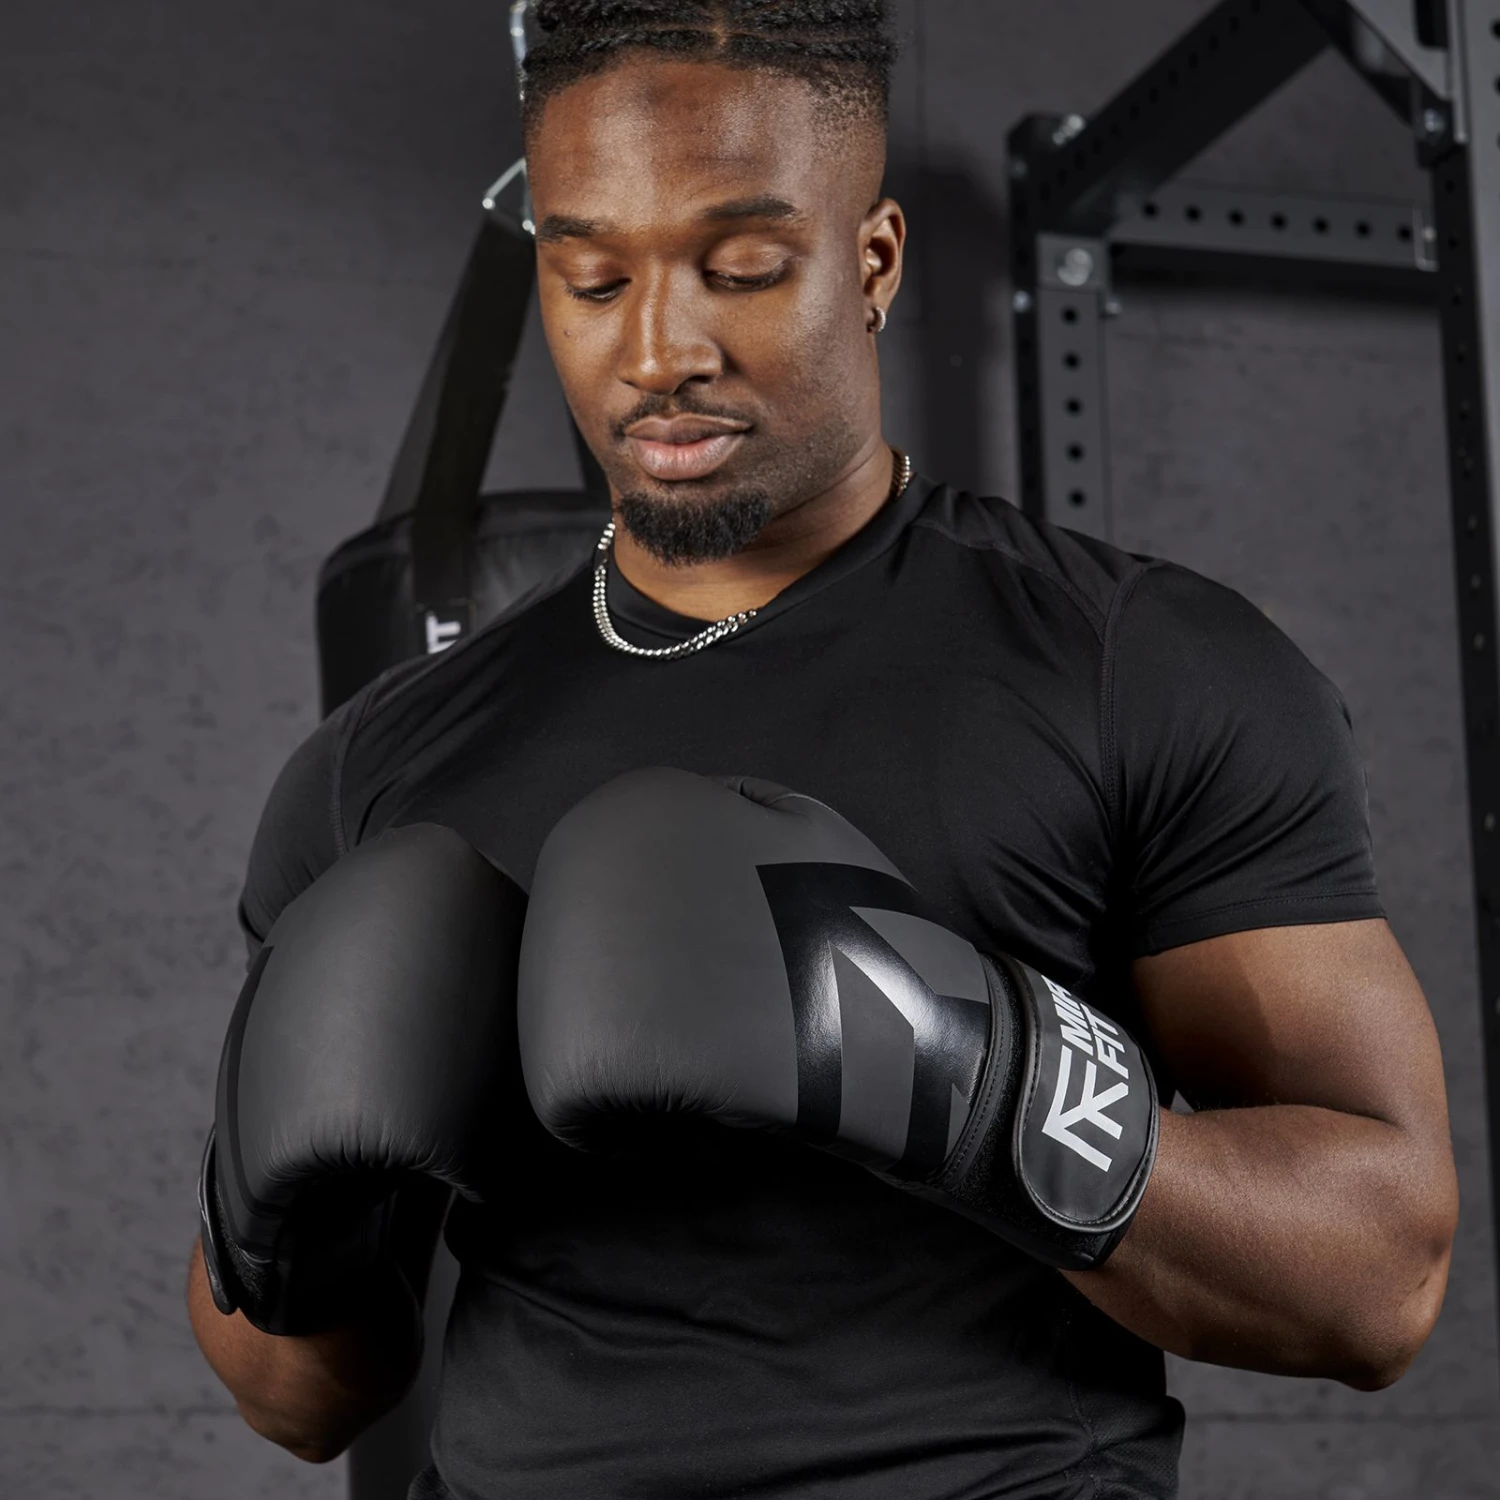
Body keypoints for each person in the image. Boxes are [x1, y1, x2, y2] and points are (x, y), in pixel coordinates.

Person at [186, 3, 1460, 1497]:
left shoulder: (1141, 669)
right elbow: (299, 1400)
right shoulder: (375, 767)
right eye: (593, 278)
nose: (657, 351)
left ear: (873, 261)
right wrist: (284, 1218)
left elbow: (1381, 1280)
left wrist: (967, 1070)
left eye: (741, 268)